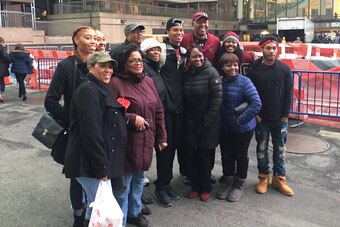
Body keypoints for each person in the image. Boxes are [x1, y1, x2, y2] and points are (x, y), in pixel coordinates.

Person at [64, 52, 126, 226]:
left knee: (95, 210)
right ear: (90, 67)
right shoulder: (88, 91)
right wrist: (101, 167)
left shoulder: (98, 88)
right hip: (88, 164)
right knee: (105, 214)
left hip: (92, 163)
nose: (108, 70)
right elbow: (91, 133)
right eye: (102, 66)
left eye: (110, 66)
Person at [108, 44, 167, 227]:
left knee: (139, 180)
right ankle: (121, 220)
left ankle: (135, 212)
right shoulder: (115, 83)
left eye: (139, 60)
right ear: (123, 63)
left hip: (146, 141)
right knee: (123, 185)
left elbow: (158, 110)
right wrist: (132, 118)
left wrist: (162, 136)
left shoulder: (148, 81)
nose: (137, 63)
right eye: (132, 60)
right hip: (126, 142)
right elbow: (109, 112)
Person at [44, 25, 97, 227]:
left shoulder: (102, 64)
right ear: (76, 40)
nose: (92, 41)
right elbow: (51, 101)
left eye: (94, 37)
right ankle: (78, 215)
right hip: (76, 133)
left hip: (99, 130)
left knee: (98, 172)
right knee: (77, 175)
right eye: (87, 37)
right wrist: (72, 121)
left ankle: (96, 212)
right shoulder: (67, 66)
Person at [248, 35, 294, 196]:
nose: (271, 51)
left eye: (274, 48)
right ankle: (263, 177)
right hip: (262, 119)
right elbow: (250, 93)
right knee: (261, 149)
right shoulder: (254, 69)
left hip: (280, 119)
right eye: (268, 48)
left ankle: (279, 179)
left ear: (277, 49)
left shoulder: (284, 69)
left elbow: (289, 92)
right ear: (262, 49)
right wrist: (257, 115)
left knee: (280, 150)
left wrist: (286, 116)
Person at [180, 11, 221, 185]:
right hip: (187, 85)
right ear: (193, 23)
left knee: (206, 143)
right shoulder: (184, 39)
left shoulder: (215, 41)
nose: (203, 25)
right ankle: (186, 172)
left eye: (205, 22)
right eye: (199, 22)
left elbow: (225, 58)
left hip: (208, 86)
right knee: (187, 142)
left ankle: (206, 173)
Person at [216, 53, 261, 202]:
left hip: (243, 128)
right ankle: (228, 181)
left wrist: (240, 120)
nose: (232, 68)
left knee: (241, 155)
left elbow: (256, 103)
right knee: (226, 154)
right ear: (222, 67)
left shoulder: (245, 82)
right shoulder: (220, 82)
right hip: (226, 128)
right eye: (228, 65)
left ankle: (239, 184)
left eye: (235, 64)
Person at [153, 17, 186, 207]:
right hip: (165, 109)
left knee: (173, 148)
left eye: (181, 30)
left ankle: (166, 183)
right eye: (175, 30)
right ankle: (161, 187)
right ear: (167, 32)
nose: (179, 33)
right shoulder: (161, 51)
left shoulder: (184, 52)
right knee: (164, 149)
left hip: (180, 110)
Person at [182, 46, 222, 201]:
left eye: (200, 56)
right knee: (191, 156)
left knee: (205, 157)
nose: (197, 59)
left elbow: (217, 100)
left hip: (208, 123)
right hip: (190, 122)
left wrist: (206, 122)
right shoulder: (187, 74)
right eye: (194, 57)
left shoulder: (211, 72)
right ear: (189, 59)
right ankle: (194, 185)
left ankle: (205, 187)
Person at [0, 37, 11, 102]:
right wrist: (10, 60)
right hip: (1, 67)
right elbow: (5, 56)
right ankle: (1, 94)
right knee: (1, 81)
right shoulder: (2, 48)